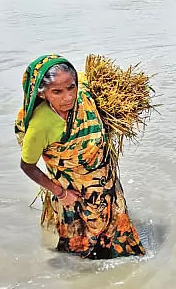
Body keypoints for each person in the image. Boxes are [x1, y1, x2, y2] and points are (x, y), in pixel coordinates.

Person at [14, 54, 146, 259]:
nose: (67, 97)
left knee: (118, 231)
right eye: (56, 92)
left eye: (71, 88)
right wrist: (60, 193)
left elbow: (92, 79)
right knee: (81, 246)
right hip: (73, 191)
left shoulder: (84, 95)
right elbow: (27, 166)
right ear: (42, 93)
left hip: (105, 178)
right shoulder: (40, 125)